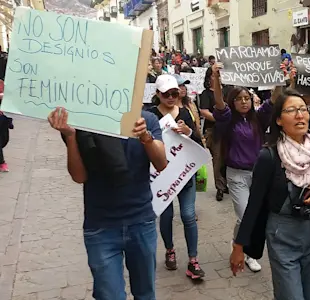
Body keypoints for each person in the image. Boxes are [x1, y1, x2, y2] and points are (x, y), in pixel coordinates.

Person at [47, 106, 168, 300]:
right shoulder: (81, 124)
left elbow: (161, 163)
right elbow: (79, 176)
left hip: (140, 222)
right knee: (109, 295)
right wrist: (70, 137)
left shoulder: (146, 119)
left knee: (145, 293)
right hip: (101, 227)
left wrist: (145, 137)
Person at [230, 89, 310, 300]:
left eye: (303, 109)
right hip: (283, 239)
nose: (300, 115)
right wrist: (239, 246)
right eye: (292, 110)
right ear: (279, 120)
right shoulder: (268, 156)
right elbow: (254, 205)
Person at [212, 63, 280, 272]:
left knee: (257, 216)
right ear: (233, 102)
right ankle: (240, 246)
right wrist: (216, 78)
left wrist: (280, 76)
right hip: (237, 176)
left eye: (247, 98)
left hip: (259, 175)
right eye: (239, 99)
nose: (244, 102)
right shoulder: (228, 120)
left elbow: (274, 99)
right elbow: (219, 102)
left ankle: (246, 250)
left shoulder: (259, 119)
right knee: (244, 216)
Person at [148, 75, 206, 280]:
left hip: (184, 174)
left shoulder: (184, 113)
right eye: (166, 94)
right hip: (161, 176)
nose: (171, 97)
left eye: (174, 93)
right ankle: (170, 250)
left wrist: (188, 131)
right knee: (166, 215)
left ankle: (193, 259)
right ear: (157, 94)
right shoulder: (149, 115)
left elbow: (197, 139)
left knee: (188, 215)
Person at [199, 67, 228, 201]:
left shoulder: (228, 90)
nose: (218, 77)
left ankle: (227, 183)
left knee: (228, 156)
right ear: (209, 78)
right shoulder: (205, 94)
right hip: (213, 130)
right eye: (214, 75)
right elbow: (204, 111)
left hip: (228, 129)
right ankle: (220, 187)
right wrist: (221, 118)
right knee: (218, 159)